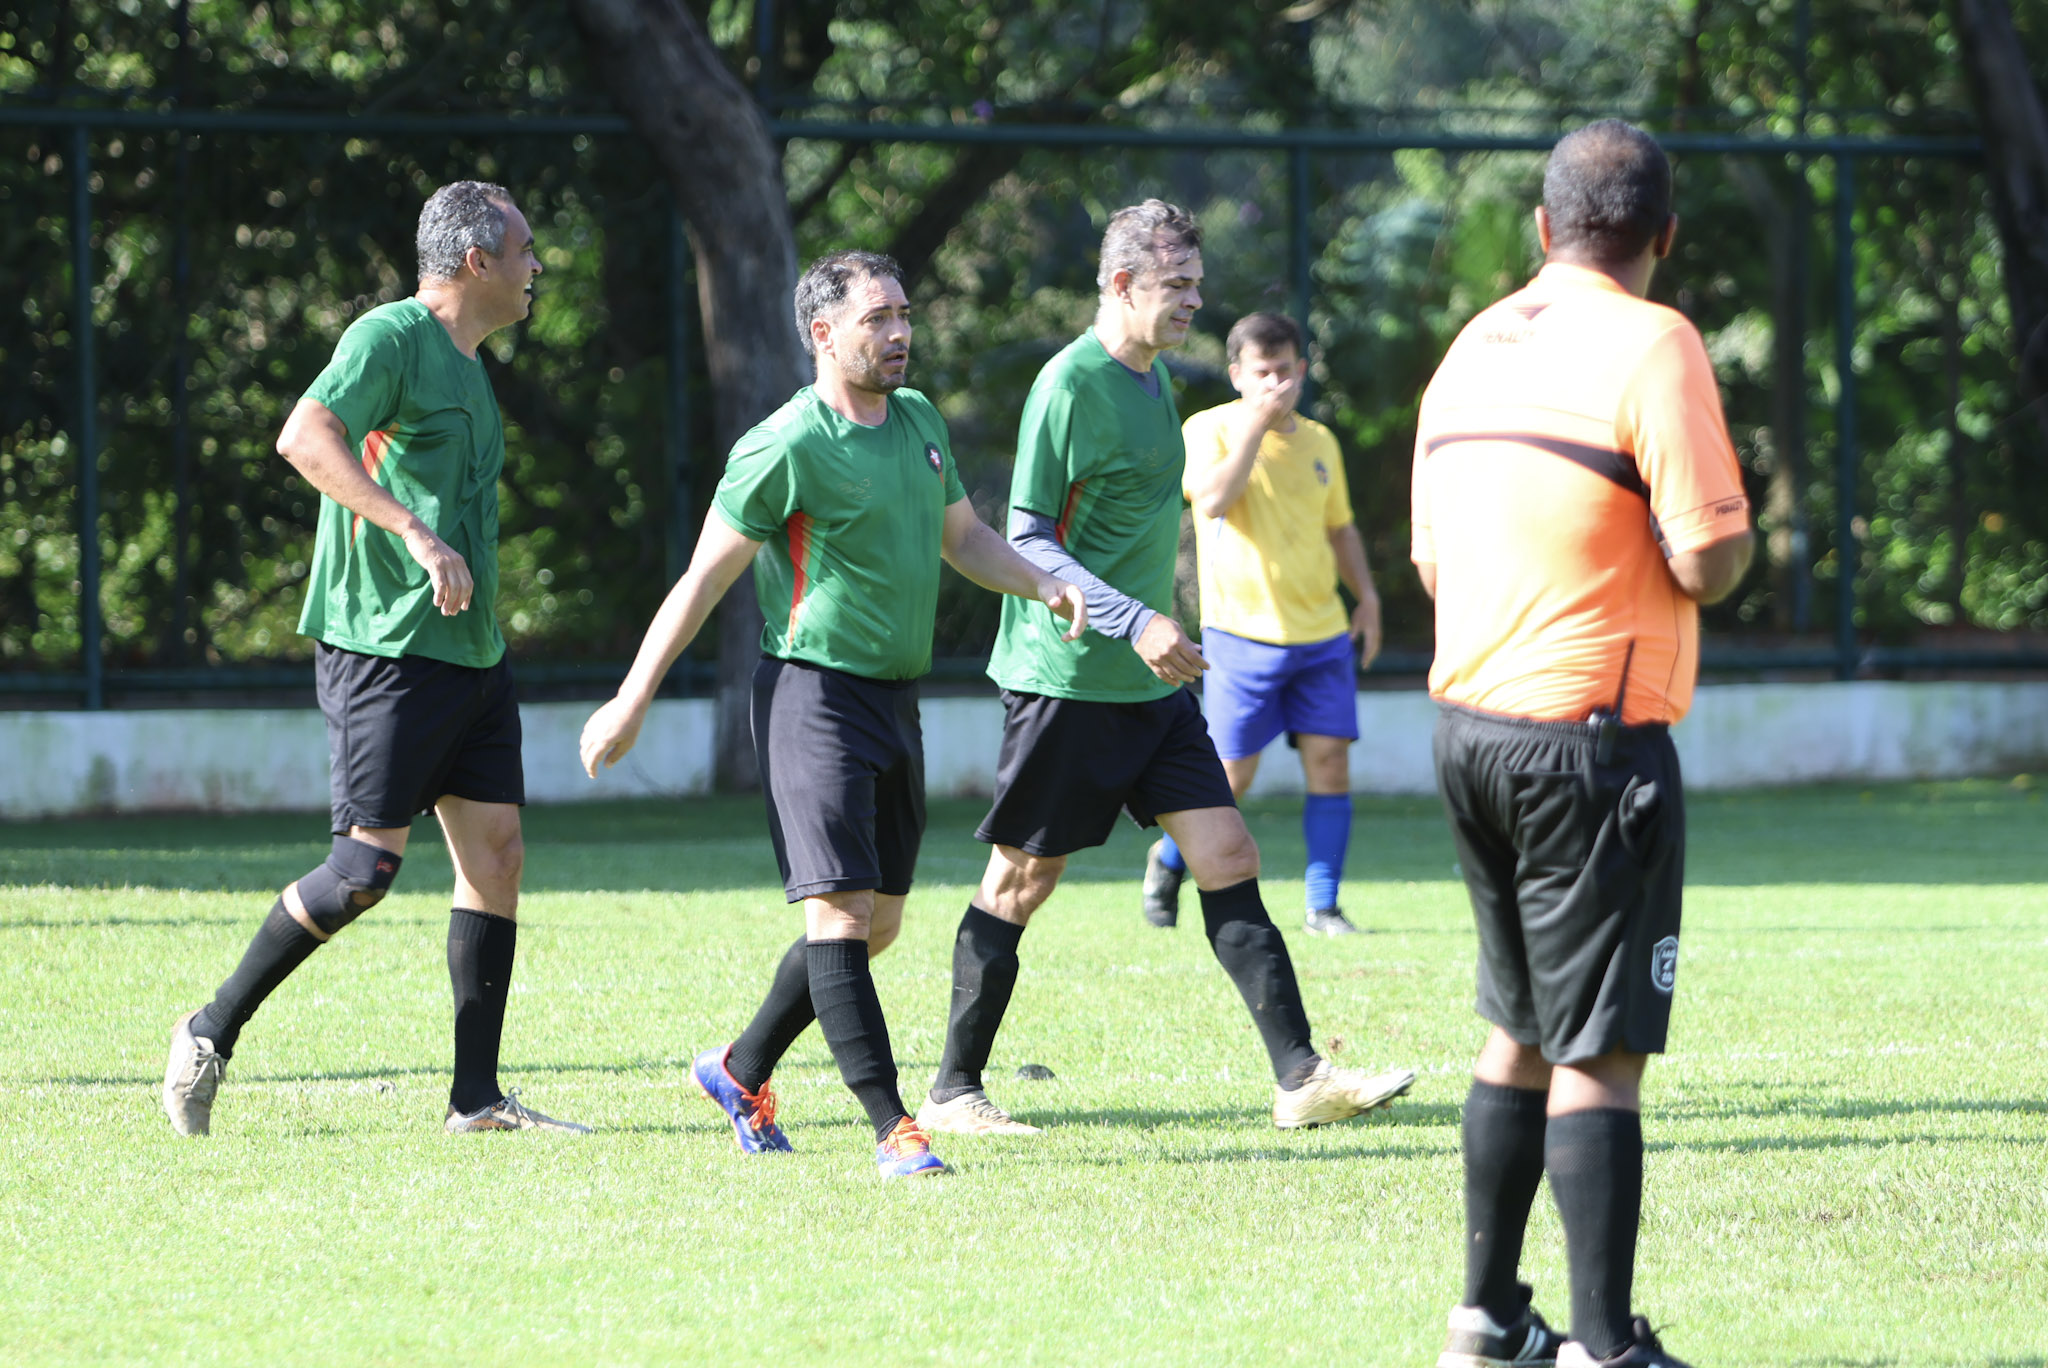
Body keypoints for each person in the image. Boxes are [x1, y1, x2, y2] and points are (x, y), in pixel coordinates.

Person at [912, 200, 1415, 1140]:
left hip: (1151, 681)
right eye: (1176, 284)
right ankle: (952, 1090)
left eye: (1196, 284)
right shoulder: (1069, 384)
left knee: (1228, 854)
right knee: (1021, 879)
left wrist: (1153, 629)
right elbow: (1027, 537)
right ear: (1120, 283)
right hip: (1068, 679)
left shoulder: (1155, 385)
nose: (1192, 301)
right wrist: (1134, 617)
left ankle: (1301, 1078)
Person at [578, 250, 1085, 1179]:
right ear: (823, 334)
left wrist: (1041, 584)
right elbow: (702, 581)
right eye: (876, 319)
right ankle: (895, 1129)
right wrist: (632, 696)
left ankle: (739, 1070)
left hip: (896, 702)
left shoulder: (919, 420)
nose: (899, 334)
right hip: (811, 698)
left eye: (904, 315)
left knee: (877, 924)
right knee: (841, 917)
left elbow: (964, 538)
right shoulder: (784, 443)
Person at [1415, 122, 1752, 1368]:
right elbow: (1705, 554)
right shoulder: (1653, 341)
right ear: (1664, 234)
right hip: (1587, 747)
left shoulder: (1470, 346)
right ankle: (1605, 1349)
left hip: (1468, 733)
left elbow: (1431, 558)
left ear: (1543, 227)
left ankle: (1488, 1318)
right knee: (1599, 1052)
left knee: (1515, 1029)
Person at [161, 181, 589, 1137]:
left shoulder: (472, 367)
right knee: (361, 870)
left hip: (471, 652)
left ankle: (476, 1101)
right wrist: (415, 533)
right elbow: (304, 435)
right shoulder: (389, 337)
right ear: (477, 261)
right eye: (524, 250)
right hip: (385, 648)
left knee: (498, 857)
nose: (536, 267)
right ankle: (209, 1029)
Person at [1141, 310, 1383, 937]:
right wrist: (1255, 424)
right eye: (1261, 372)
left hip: (1322, 634)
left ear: (1302, 370)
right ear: (1237, 375)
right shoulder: (1210, 428)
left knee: (1330, 766)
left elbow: (1341, 529)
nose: (1275, 383)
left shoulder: (1321, 442)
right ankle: (1168, 861)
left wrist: (1367, 598)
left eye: (1284, 371)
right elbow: (1212, 500)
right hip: (1241, 633)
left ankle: (1323, 906)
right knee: (1230, 777)